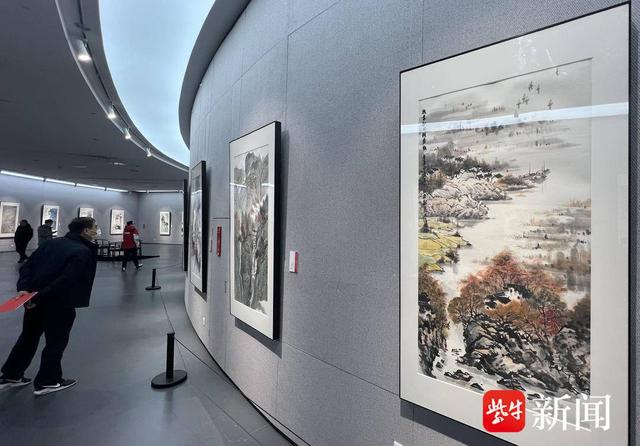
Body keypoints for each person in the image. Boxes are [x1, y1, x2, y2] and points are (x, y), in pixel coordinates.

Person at [0, 217, 98, 396]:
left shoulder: (50, 244)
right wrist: (40, 295)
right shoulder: (82, 251)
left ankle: (12, 375)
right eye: (94, 227)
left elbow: (27, 267)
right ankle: (48, 381)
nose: (96, 231)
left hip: (33, 301)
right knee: (55, 342)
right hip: (59, 303)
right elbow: (67, 280)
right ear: (85, 230)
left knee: (28, 337)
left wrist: (24, 290)